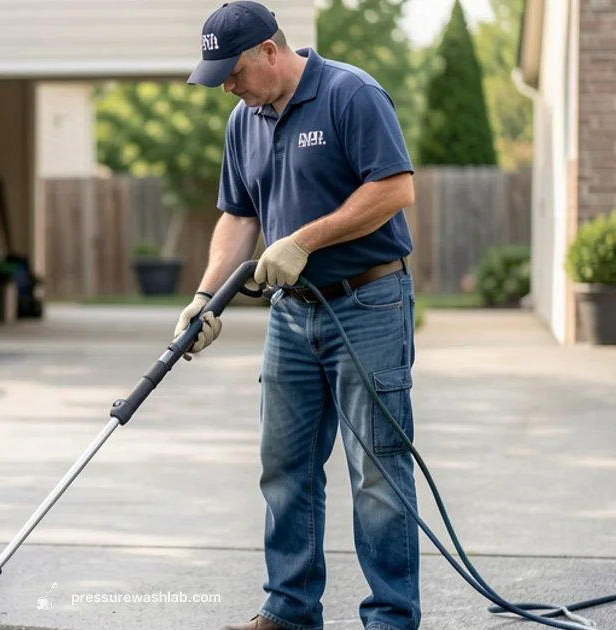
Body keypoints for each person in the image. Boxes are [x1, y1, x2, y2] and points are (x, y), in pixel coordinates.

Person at [173, 2, 422, 630]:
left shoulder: (350, 93)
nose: (226, 85)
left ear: (268, 51)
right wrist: (206, 298)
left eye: (231, 72)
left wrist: (305, 240)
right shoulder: (244, 120)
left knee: (377, 473)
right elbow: (238, 217)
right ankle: (288, 612)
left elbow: (394, 189)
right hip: (292, 316)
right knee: (284, 467)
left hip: (367, 304)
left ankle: (391, 619)